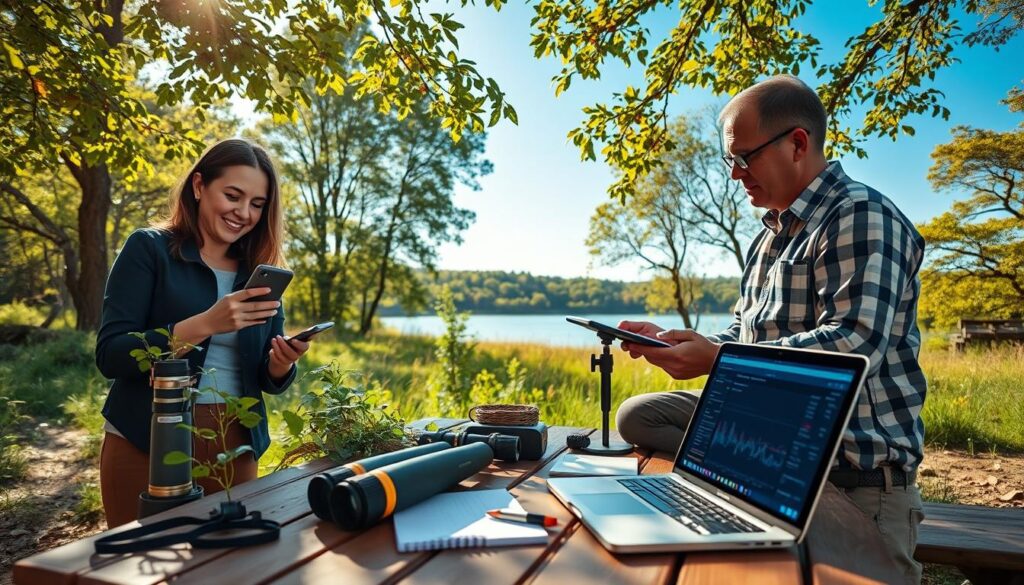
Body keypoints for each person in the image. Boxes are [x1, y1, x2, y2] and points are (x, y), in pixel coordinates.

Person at [615, 75, 927, 583]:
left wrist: (718, 361)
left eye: (745, 158)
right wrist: (689, 346)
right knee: (639, 415)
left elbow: (855, 344)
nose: (736, 175)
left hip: (850, 478)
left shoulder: (862, 215)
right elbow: (744, 335)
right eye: (729, 162)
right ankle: (732, 477)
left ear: (798, 143)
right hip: (770, 451)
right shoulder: (769, 240)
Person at [95, 138, 311, 528]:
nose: (244, 213)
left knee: (225, 566)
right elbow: (111, 355)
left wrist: (281, 365)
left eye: (257, 204)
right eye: (233, 195)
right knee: (133, 566)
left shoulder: (257, 273)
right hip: (144, 434)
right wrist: (206, 323)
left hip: (235, 440)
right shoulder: (149, 249)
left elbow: (265, 378)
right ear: (199, 186)